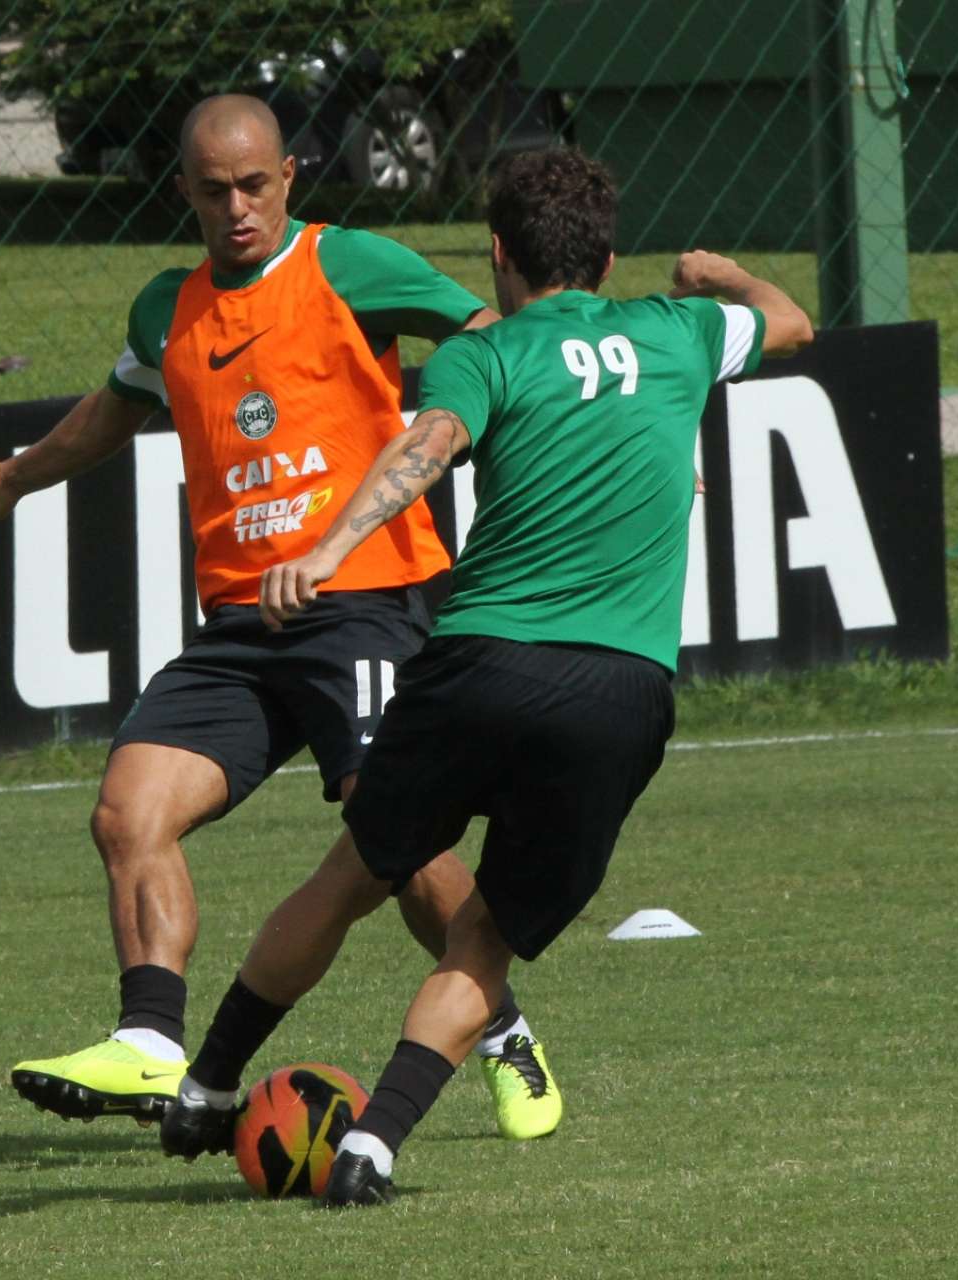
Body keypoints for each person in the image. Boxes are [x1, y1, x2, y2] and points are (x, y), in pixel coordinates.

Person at [158, 146, 814, 1205]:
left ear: (499, 253)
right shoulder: (680, 332)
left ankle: (206, 1078)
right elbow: (792, 320)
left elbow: (427, 442)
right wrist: (721, 278)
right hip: (619, 693)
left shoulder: (491, 351)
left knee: (351, 876)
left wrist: (325, 552)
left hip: (478, 665)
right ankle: (373, 1142)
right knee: (485, 933)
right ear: (605, 254)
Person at [0, 94, 562, 1142]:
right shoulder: (164, 309)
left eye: (254, 185)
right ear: (183, 190)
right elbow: (115, 407)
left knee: (390, 838)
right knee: (127, 809)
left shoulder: (345, 264)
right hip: (238, 628)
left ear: (288, 178)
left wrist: (571, 432)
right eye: (213, 190)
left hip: (364, 600)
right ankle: (147, 1041)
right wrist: (17, 477)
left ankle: (499, 1026)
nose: (236, 208)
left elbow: (495, 334)